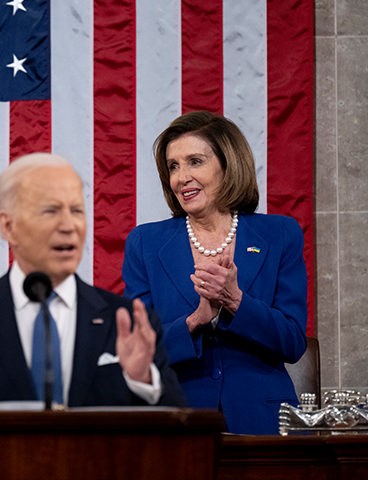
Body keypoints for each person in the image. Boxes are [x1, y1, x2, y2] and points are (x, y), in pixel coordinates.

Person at [0, 153, 185, 410]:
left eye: (76, 210)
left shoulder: (129, 324)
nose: (69, 226)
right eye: (51, 211)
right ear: (9, 226)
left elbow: (180, 434)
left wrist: (144, 380)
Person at [122, 111, 307, 434]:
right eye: (173, 166)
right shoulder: (145, 243)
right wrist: (196, 320)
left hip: (263, 424)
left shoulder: (280, 234)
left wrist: (236, 301)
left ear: (228, 164)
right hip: (177, 422)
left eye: (195, 161)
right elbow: (137, 353)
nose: (181, 177)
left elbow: (292, 342)